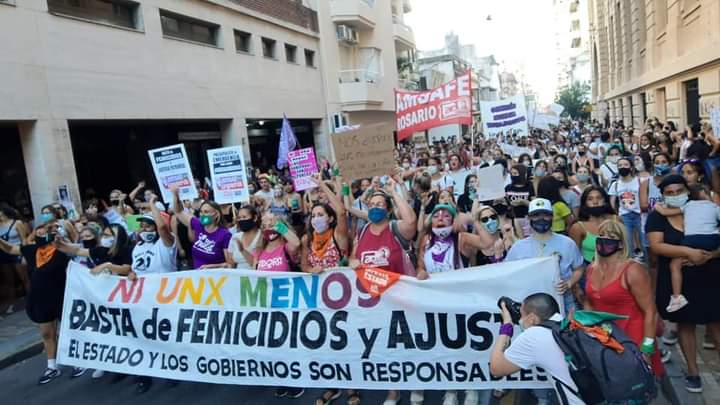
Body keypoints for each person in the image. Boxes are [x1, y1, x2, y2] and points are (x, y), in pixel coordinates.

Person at [414, 203, 496, 405]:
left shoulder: (461, 238)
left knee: (466, 345)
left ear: (453, 220)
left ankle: (471, 387)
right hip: (436, 303)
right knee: (446, 346)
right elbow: (420, 265)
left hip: (463, 302)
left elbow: (487, 245)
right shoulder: (425, 240)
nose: (440, 218)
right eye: (436, 216)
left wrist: (476, 221)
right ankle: (450, 389)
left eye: (446, 216)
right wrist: (421, 272)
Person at [646, 175, 720, 393]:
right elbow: (656, 246)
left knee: (716, 324)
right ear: (662, 196)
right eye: (669, 193)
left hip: (710, 275)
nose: (675, 195)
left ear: (688, 191)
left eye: (679, 191)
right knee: (685, 325)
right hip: (677, 280)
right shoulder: (657, 217)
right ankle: (693, 371)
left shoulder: (703, 210)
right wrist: (688, 252)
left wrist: (711, 255)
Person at [349, 178, 416, 405]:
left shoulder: (396, 227)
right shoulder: (364, 229)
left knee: (407, 344)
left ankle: (419, 385)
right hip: (374, 302)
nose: (375, 207)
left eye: (380, 204)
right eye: (372, 204)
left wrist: (393, 191)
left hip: (401, 299)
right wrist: (352, 264)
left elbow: (411, 220)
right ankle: (393, 391)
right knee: (386, 348)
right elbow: (354, 257)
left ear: (388, 210)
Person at [580, 220, 664, 376]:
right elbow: (590, 303)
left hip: (633, 339)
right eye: (601, 235)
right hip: (605, 339)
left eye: (611, 236)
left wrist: (647, 348)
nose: (605, 239)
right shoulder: (591, 268)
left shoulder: (633, 270)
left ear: (620, 243)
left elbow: (650, 312)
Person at [0, 212, 70, 384]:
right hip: (40, 298)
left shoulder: (62, 249)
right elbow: (10, 249)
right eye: (39, 229)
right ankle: (52, 366)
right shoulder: (32, 250)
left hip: (61, 296)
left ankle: (78, 361)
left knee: (68, 330)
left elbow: (73, 247)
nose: (41, 232)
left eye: (46, 229)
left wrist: (57, 234)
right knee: (47, 333)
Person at [490, 293, 583, 405]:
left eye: (522, 314)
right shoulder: (567, 323)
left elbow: (496, 369)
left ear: (532, 319)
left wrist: (507, 325)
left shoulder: (534, 336)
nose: (520, 319)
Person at [506, 198, 584, 313]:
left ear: (552, 217)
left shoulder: (567, 243)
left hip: (564, 304)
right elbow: (508, 274)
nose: (541, 219)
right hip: (531, 309)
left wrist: (569, 283)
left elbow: (579, 268)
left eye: (545, 215)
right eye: (536, 215)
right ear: (528, 218)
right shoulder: (518, 248)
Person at [654, 184, 720, 312]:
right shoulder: (714, 207)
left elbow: (664, 212)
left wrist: (657, 206)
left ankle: (677, 297)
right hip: (711, 240)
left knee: (675, 265)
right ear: (706, 194)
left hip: (692, 240)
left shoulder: (688, 206)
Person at [171, 187, 231, 269]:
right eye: (201, 212)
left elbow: (229, 264)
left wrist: (210, 267)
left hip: (216, 279)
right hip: (199, 278)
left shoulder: (225, 235)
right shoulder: (198, 224)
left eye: (206, 212)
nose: (202, 215)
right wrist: (176, 196)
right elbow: (178, 212)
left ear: (216, 214)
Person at [301, 174, 349, 274]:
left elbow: (341, 212)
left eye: (320, 215)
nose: (316, 219)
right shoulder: (307, 239)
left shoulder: (338, 236)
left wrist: (321, 184)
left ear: (330, 219)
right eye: (313, 216)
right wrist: (311, 270)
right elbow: (304, 265)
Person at [569, 186, 618, 266]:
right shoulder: (578, 227)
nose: (595, 202)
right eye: (590, 199)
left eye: (599, 198)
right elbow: (575, 257)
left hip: (616, 267)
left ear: (605, 201)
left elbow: (626, 248)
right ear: (585, 203)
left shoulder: (616, 220)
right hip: (589, 269)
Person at [608, 157, 644, 259]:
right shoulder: (615, 184)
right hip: (624, 216)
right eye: (620, 165)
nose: (622, 167)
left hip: (639, 214)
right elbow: (612, 201)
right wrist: (615, 216)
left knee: (644, 242)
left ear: (631, 167)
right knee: (627, 243)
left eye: (625, 165)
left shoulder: (639, 181)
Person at [0, 202, 30, 314]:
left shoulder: (17, 223)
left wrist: (25, 254)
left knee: (24, 278)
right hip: (3, 254)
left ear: (3, 211)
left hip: (17, 252)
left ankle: (30, 299)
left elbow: (24, 240)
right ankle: (11, 303)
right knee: (9, 281)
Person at [226, 205, 261, 269]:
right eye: (239, 218)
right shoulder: (235, 237)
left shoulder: (261, 236)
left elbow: (257, 264)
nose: (241, 220)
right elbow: (231, 263)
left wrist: (242, 250)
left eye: (244, 217)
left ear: (255, 218)